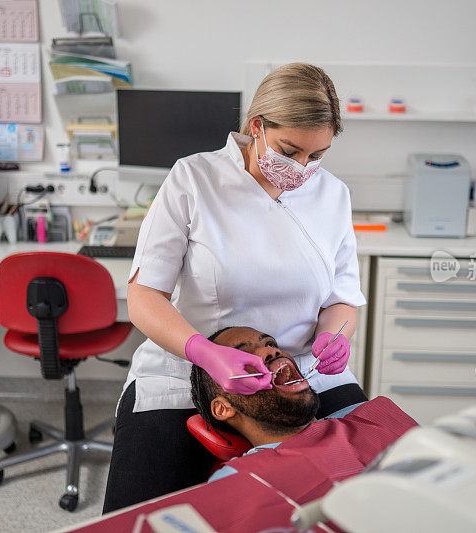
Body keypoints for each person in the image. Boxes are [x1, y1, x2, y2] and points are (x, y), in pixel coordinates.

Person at [103, 63, 368, 513]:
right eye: (290, 150)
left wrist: (334, 336)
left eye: (317, 156)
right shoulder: (194, 179)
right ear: (257, 125)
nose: (303, 169)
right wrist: (204, 353)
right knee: (134, 518)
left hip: (300, 373)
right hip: (187, 372)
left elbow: (342, 297)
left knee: (374, 491)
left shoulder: (333, 196)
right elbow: (144, 294)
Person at [189, 326, 417, 483]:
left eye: (270, 343)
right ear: (223, 408)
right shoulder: (238, 479)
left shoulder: (373, 417)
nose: (271, 350)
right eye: (243, 356)